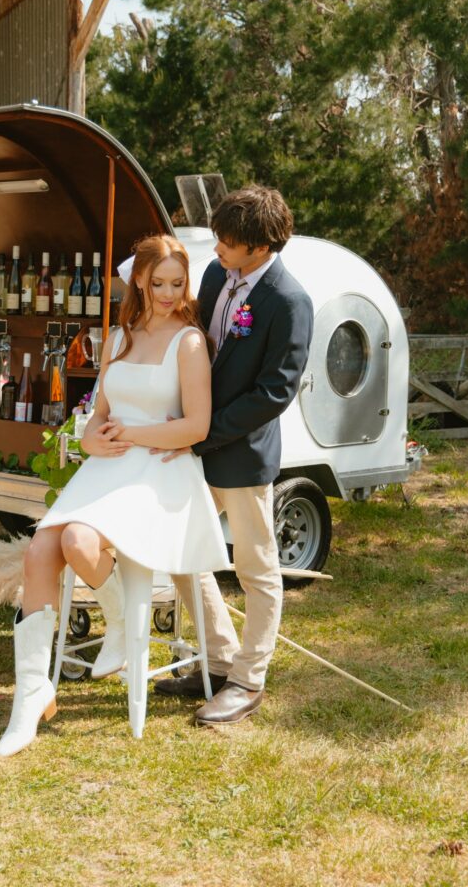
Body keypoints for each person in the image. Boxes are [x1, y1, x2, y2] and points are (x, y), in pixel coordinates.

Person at [0, 234, 230, 757]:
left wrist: (133, 435)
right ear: (139, 280)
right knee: (40, 550)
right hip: (107, 467)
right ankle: (31, 694)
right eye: (158, 282)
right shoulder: (119, 338)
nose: (168, 293)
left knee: (78, 542)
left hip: (159, 470)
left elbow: (196, 426)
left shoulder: (189, 342)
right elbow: (97, 416)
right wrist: (90, 440)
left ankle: (122, 624)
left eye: (177, 283)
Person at [154, 185, 313, 725]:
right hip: (194, 443)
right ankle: (219, 660)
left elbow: (274, 392)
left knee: (256, 568)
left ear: (261, 246)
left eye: (227, 240)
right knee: (181, 552)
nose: (217, 247)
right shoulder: (215, 275)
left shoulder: (289, 302)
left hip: (241, 453)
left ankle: (248, 680)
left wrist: (203, 433)